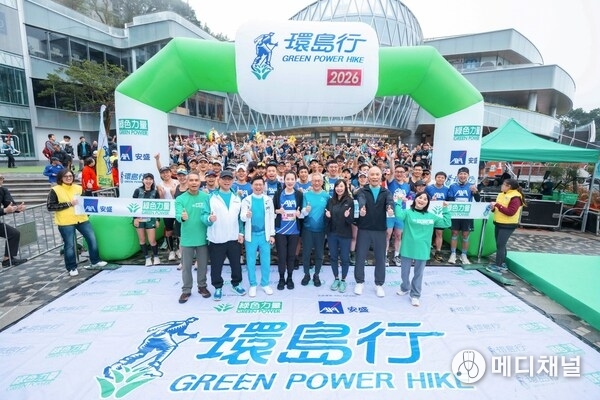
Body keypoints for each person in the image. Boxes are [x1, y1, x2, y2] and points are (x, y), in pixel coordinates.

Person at [46, 169, 107, 276]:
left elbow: (86, 200)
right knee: (70, 245)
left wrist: (88, 190)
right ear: (61, 178)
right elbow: (50, 206)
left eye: (70, 176)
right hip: (66, 221)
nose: (69, 178)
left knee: (92, 239)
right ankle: (71, 267)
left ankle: (95, 260)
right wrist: (69, 204)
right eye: (66, 176)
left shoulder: (78, 187)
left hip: (81, 218)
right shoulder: (55, 190)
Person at [394, 192, 451, 306]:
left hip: (423, 249)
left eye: (425, 199)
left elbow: (446, 223)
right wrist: (399, 201)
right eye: (420, 197)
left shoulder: (431, 216)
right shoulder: (408, 213)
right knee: (404, 273)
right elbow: (399, 215)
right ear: (415, 199)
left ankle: (415, 295)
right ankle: (405, 287)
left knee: (418, 274)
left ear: (427, 203)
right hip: (408, 247)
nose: (422, 200)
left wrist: (445, 209)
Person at [354, 166, 395, 297]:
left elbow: (390, 202)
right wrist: (362, 208)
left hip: (380, 230)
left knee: (380, 258)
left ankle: (379, 284)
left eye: (377, 174)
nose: (375, 177)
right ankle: (359, 282)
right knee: (360, 256)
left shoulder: (386, 192)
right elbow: (361, 200)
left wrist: (390, 208)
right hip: (364, 229)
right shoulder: (362, 191)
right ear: (368, 176)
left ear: (381, 176)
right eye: (372, 174)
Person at [206, 170, 246, 301]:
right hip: (217, 238)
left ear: (233, 181)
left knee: (236, 264)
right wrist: (208, 219)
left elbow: (240, 218)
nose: (227, 181)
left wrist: (241, 233)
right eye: (224, 179)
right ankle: (218, 287)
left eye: (229, 179)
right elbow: (203, 215)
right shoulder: (210, 197)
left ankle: (236, 284)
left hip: (233, 237)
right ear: (219, 180)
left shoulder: (237, 198)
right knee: (216, 266)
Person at [175, 172, 211, 303]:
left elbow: (210, 214)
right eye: (191, 180)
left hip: (203, 237)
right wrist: (182, 217)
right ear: (187, 182)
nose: (194, 183)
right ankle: (186, 290)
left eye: (196, 180)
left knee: (202, 265)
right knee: (186, 267)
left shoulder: (206, 197)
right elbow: (178, 214)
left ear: (200, 182)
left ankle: (202, 286)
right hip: (187, 239)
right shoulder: (180, 198)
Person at [240, 176, 276, 297]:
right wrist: (247, 215)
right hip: (251, 235)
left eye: (260, 184)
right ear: (252, 186)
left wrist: (272, 234)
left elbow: (271, 218)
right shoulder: (246, 200)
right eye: (256, 184)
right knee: (251, 261)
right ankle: (253, 284)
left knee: (265, 260)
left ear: (264, 186)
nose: (258, 187)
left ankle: (265, 284)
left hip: (264, 235)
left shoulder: (268, 200)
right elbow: (242, 217)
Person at [273, 171, 303, 290]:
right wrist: (277, 211)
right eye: (288, 179)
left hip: (294, 231)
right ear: (284, 180)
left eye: (292, 179)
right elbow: (272, 210)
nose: (290, 181)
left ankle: (289, 278)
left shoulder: (299, 194)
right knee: (281, 256)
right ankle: (281, 278)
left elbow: (302, 211)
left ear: (295, 180)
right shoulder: (278, 193)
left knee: (291, 256)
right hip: (280, 230)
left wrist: (299, 213)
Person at [487, 179, 525, 274]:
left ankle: (498, 266)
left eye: (504, 184)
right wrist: (493, 208)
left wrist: (497, 205)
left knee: (500, 245)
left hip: (508, 225)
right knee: (501, 245)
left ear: (509, 187)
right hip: (499, 222)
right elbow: (498, 209)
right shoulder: (501, 194)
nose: (502, 186)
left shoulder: (516, 197)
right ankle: (502, 264)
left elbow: (510, 212)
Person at [300, 173, 329, 287]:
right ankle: (306, 274)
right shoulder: (306, 195)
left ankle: (316, 275)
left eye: (319, 181)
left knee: (319, 254)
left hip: (321, 230)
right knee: (306, 254)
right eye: (314, 181)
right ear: (311, 182)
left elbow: (329, 212)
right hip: (307, 229)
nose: (316, 183)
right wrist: (305, 210)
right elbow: (302, 212)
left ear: (322, 182)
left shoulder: (326, 196)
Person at [325, 179, 354, 293]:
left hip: (345, 235)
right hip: (332, 234)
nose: (339, 188)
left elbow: (351, 220)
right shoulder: (330, 201)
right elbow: (326, 219)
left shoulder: (350, 201)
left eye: (341, 186)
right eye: (337, 186)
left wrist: (347, 216)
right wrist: (327, 216)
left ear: (345, 187)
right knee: (333, 257)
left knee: (345, 258)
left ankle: (343, 279)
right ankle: (336, 278)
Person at [447, 167, 480, 265]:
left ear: (468, 175)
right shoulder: (453, 186)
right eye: (461, 174)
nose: (463, 176)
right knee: (454, 233)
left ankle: (464, 255)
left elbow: (478, 200)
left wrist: (475, 192)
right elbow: (450, 199)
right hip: (455, 214)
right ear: (457, 175)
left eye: (465, 174)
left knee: (465, 234)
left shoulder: (471, 186)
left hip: (467, 214)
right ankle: (453, 254)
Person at [132, 173, 161, 266]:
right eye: (146, 179)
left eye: (150, 179)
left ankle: (156, 256)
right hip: (139, 218)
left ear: (153, 181)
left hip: (151, 219)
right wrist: (135, 218)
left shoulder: (155, 192)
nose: (148, 181)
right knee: (142, 239)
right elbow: (133, 205)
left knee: (152, 240)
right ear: (143, 180)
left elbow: (158, 207)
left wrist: (157, 219)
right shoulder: (138, 191)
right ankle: (147, 258)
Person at [0, 175, 27, 267]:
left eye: (1, 179)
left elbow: (9, 204)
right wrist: (4, 210)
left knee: (14, 233)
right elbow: (5, 209)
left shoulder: (3, 190)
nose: (0, 181)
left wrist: (17, 208)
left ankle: (7, 259)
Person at [425, 171, 450, 262]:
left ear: (445, 179)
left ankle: (438, 252)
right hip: (429, 214)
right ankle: (426, 251)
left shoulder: (447, 189)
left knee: (439, 233)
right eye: (438, 177)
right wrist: (431, 200)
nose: (440, 179)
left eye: (442, 177)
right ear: (435, 178)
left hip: (440, 215)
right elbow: (424, 198)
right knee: (428, 233)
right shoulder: (429, 188)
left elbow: (449, 200)